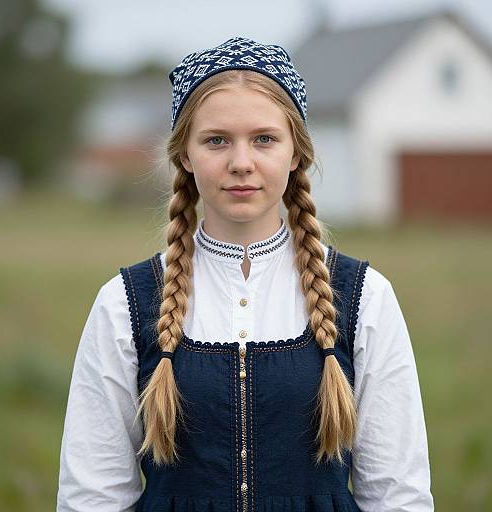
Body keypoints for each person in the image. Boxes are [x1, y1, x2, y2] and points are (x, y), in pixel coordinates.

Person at [57, 37, 434, 511]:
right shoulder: (125, 304)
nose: (241, 162)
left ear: (295, 152)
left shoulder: (363, 298)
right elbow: (93, 496)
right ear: (185, 156)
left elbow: (398, 494)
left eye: (264, 139)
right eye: (216, 140)